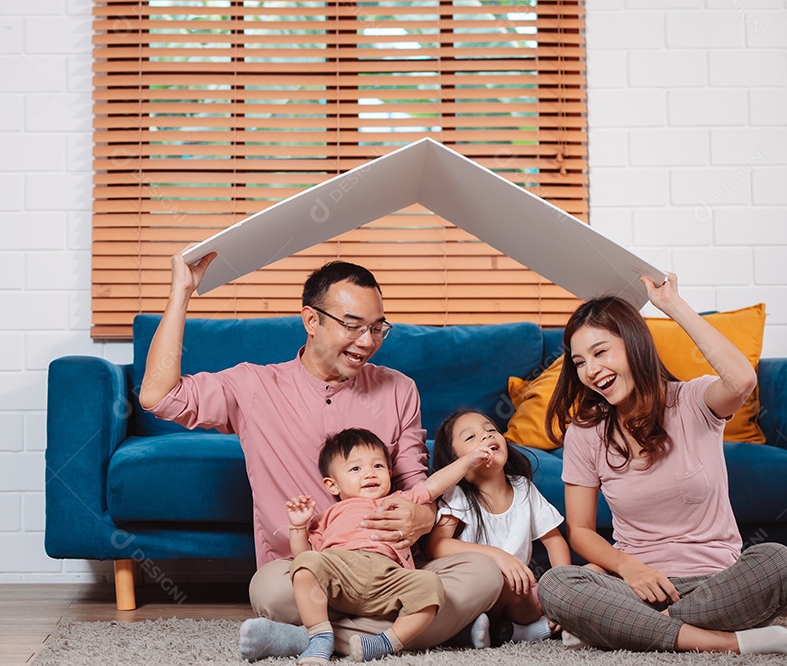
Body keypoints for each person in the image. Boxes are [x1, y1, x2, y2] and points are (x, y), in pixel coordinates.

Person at [138, 252, 503, 660]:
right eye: (353, 326)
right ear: (312, 321)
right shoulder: (254, 386)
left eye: (377, 328)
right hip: (306, 572)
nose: (367, 342)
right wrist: (181, 292)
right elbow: (158, 397)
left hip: (391, 573)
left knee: (485, 574)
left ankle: (307, 638)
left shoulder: (399, 389)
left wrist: (424, 516)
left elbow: (416, 485)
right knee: (269, 590)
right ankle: (426, 629)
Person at [536, 273, 787, 654]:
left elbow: (740, 381)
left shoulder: (693, 401)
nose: (590, 370)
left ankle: (629, 628)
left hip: (715, 583)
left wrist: (673, 306)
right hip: (635, 586)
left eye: (601, 352)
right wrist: (628, 567)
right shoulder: (586, 433)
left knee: (777, 560)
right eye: (580, 362)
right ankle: (722, 642)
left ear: (634, 344)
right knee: (556, 585)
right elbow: (581, 531)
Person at [287, 428, 497, 663]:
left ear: (389, 473)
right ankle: (320, 637)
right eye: (356, 469)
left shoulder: (400, 500)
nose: (369, 474)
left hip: (389, 576)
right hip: (341, 574)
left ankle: (385, 643)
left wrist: (468, 461)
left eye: (377, 466)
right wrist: (298, 527)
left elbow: (435, 484)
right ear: (332, 485)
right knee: (305, 564)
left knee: (430, 585)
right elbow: (304, 560)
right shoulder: (329, 515)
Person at [427, 410, 571, 644]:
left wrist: (562, 591)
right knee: (503, 583)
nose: (486, 436)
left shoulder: (523, 488)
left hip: (521, 595)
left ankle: (512, 631)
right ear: (456, 462)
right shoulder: (458, 495)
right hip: (483, 593)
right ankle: (526, 630)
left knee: (593, 571)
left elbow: (554, 541)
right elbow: (436, 545)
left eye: (491, 429)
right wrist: (498, 556)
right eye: (470, 437)